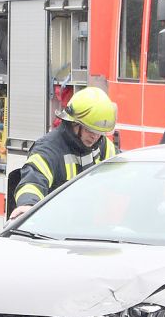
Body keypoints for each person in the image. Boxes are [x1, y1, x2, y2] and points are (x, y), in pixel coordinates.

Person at [10, 87, 117, 219]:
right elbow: (32, 181)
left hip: (88, 228)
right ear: (74, 124)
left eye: (99, 132)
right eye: (90, 130)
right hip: (54, 230)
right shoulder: (48, 149)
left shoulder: (102, 145)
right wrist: (29, 205)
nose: (95, 136)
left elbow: (124, 170)